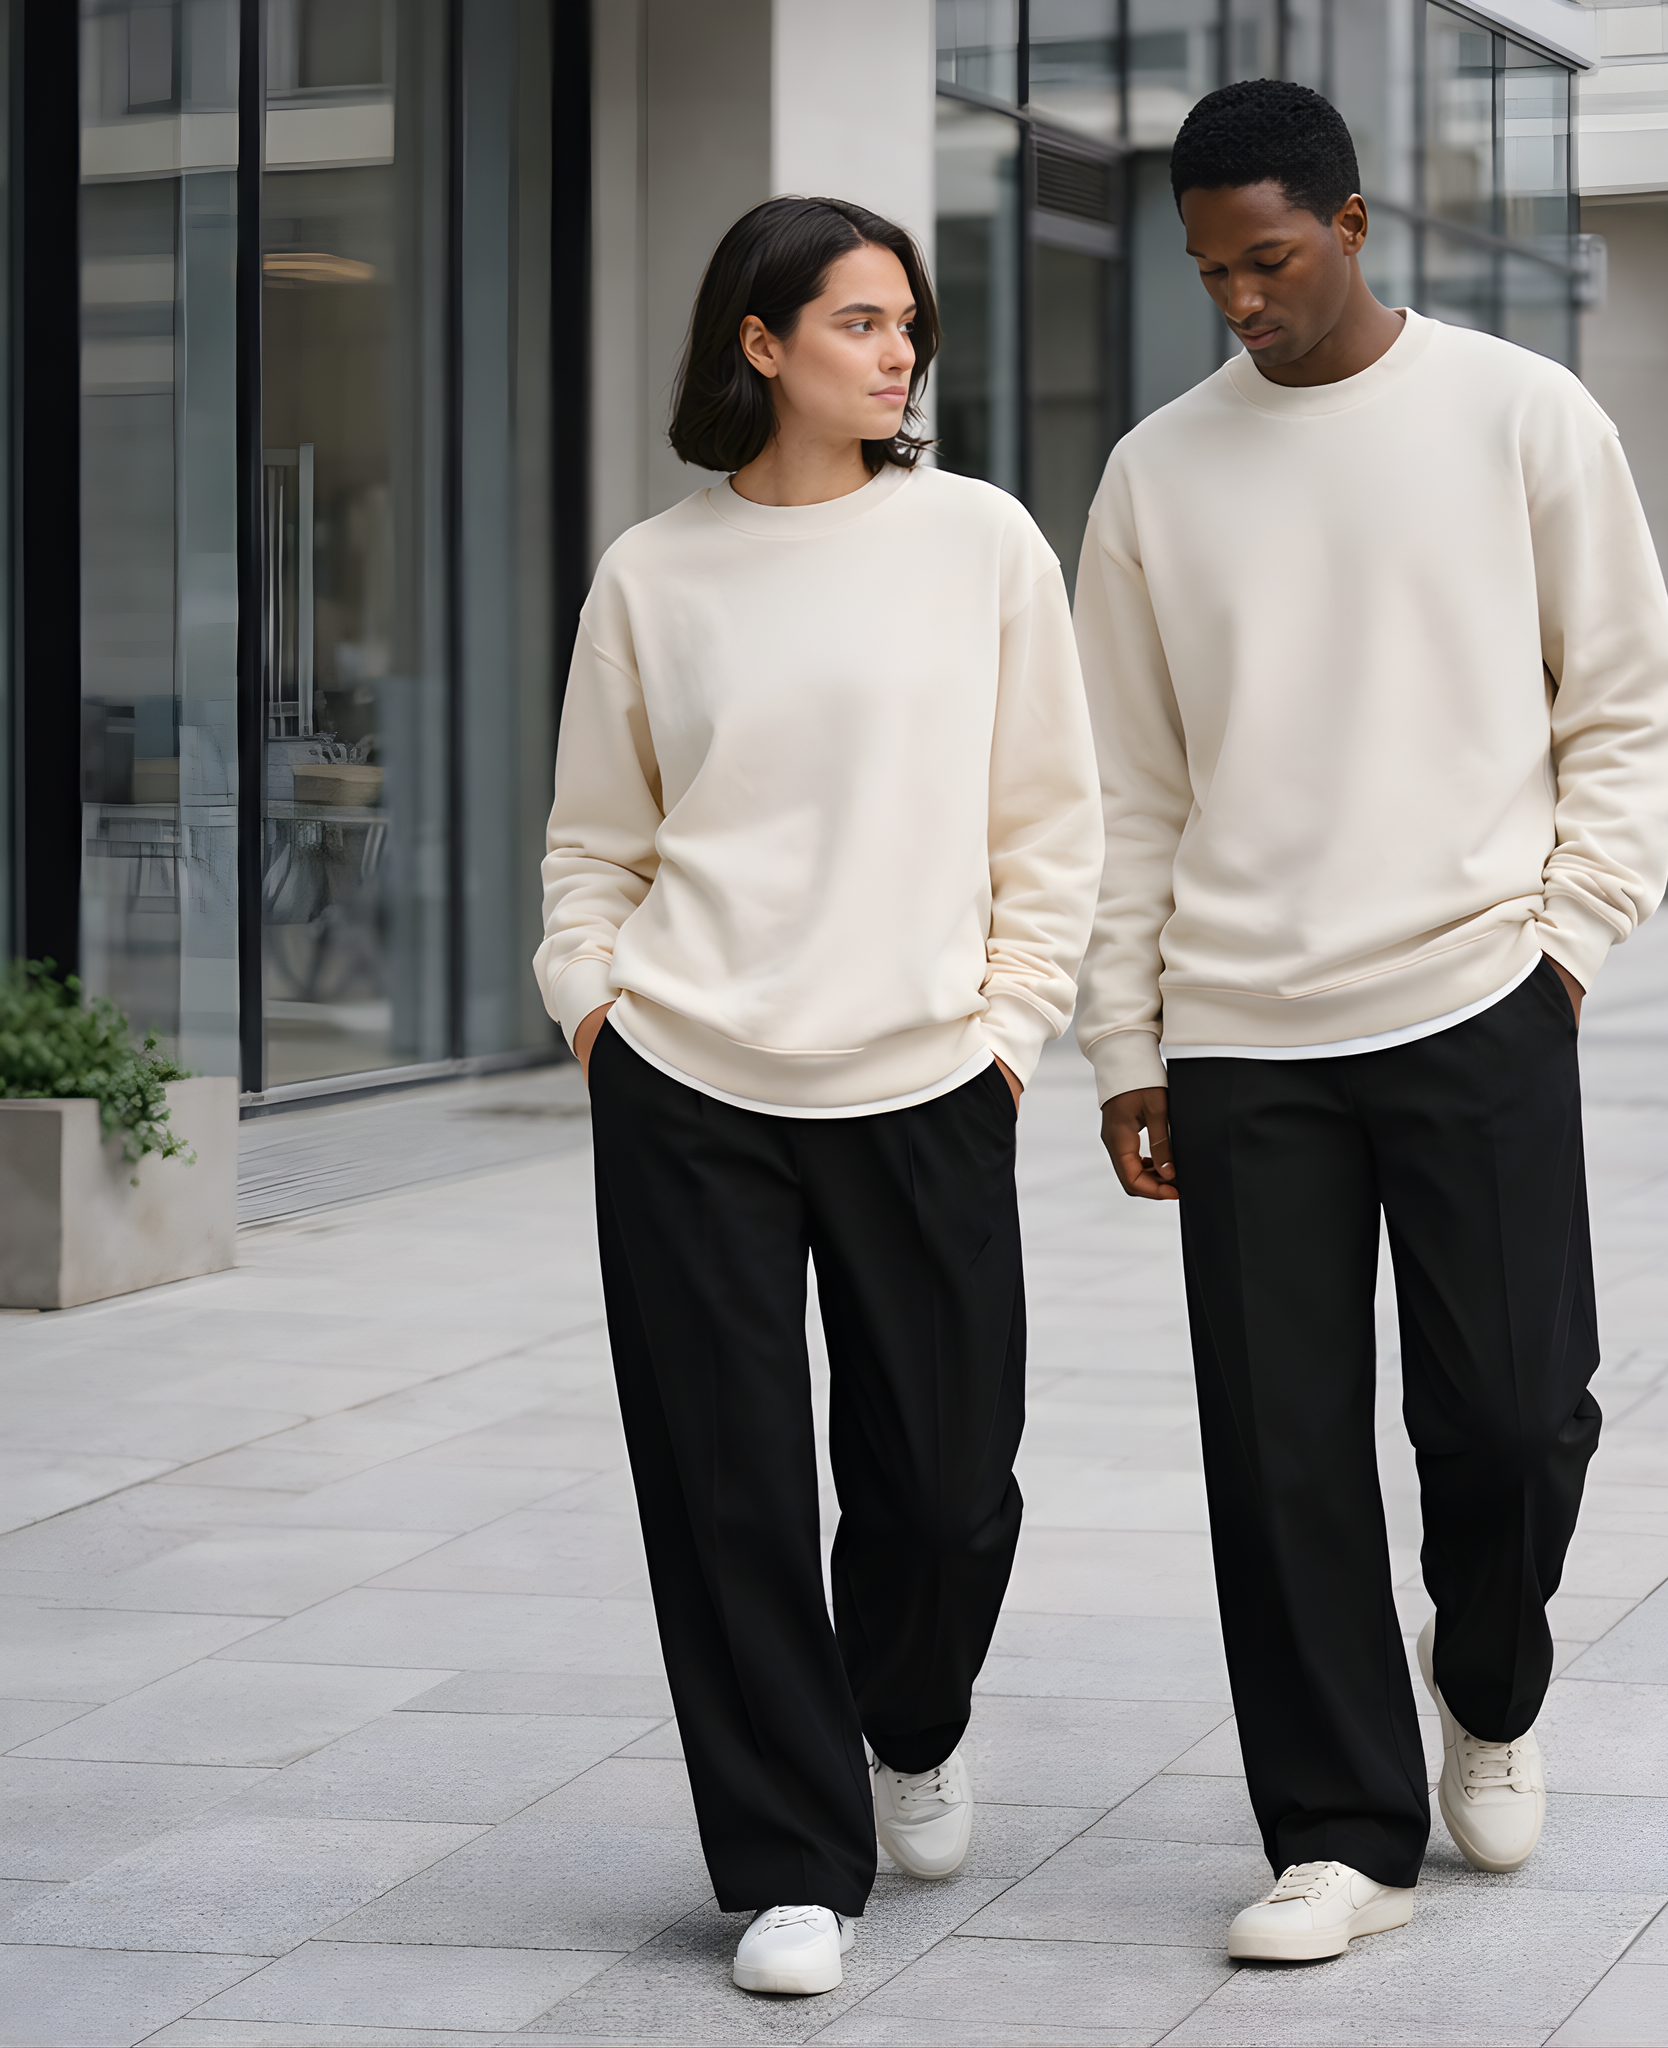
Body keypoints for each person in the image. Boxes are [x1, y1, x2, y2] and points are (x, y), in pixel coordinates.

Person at [1073, 81, 1668, 1962]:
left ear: (1354, 225)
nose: (1240, 301)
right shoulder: (1156, 475)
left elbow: (1630, 704)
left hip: (1474, 991)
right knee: (1277, 1453)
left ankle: (1487, 1684)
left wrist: (1565, 945)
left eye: (1267, 260)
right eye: (1209, 272)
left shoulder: (1522, 415)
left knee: (1516, 1421)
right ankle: (1336, 1831)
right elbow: (1128, 786)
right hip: (1246, 1025)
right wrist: (1130, 1041)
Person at [535, 195, 1102, 1997]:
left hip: (928, 1071)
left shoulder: (982, 543)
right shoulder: (655, 573)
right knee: (728, 1492)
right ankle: (790, 1860)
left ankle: (908, 1721)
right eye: (861, 321)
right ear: (762, 344)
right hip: (687, 1074)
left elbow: (1048, 820)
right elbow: (593, 845)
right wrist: (593, 1013)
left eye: (909, 324)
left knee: (946, 1489)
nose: (901, 349)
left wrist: (1014, 1030)